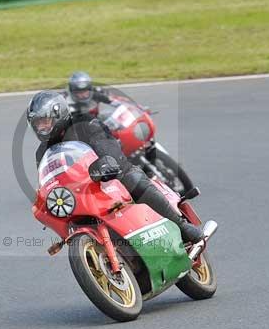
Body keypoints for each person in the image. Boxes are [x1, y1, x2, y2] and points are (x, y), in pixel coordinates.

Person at [28, 90, 204, 244]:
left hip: (108, 175)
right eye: (37, 124)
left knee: (131, 177)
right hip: (81, 192)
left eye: (45, 121)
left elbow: (104, 142)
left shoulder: (85, 123)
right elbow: (49, 178)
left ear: (59, 115)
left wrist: (107, 160)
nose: (42, 128)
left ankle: (181, 227)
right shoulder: (41, 152)